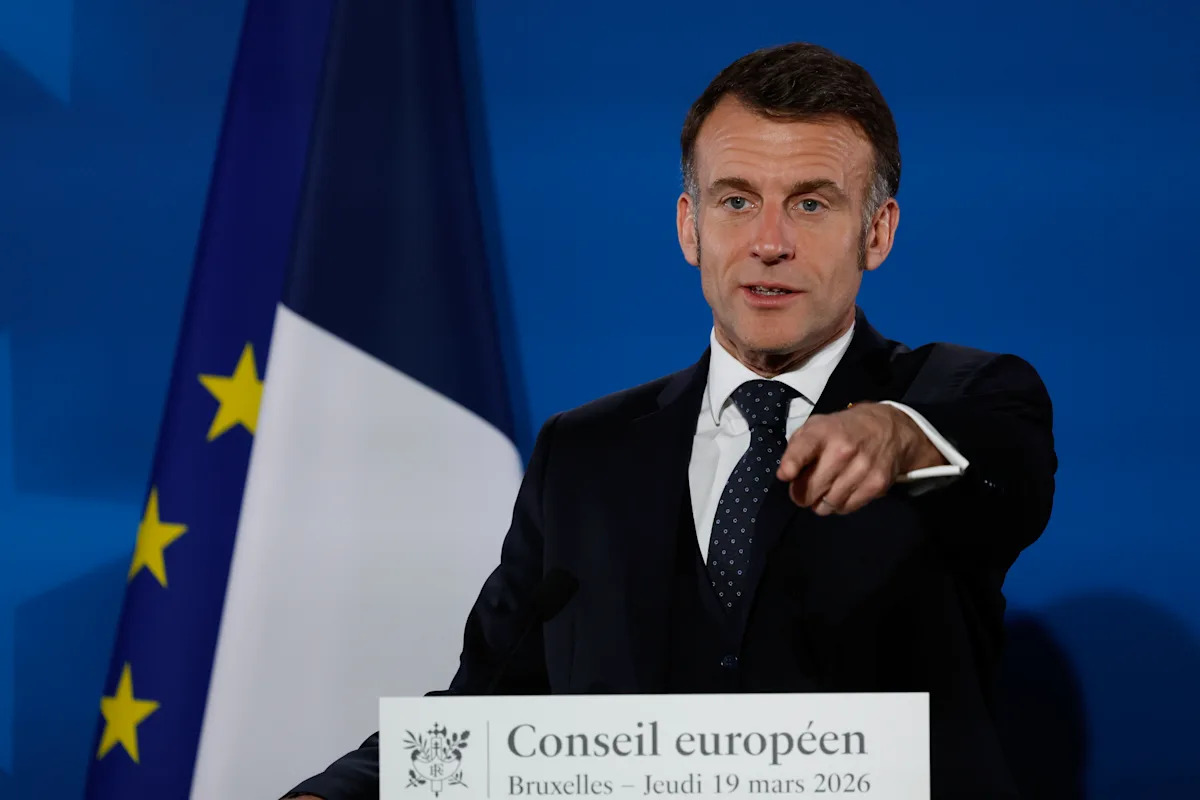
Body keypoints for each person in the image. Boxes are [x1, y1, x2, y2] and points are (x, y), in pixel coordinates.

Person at [284, 42, 1056, 800]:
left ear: (877, 232)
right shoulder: (581, 455)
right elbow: (488, 707)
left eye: (812, 204)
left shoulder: (961, 396)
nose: (769, 243)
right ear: (690, 226)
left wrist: (896, 436)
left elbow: (1001, 464)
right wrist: (339, 793)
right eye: (736, 201)